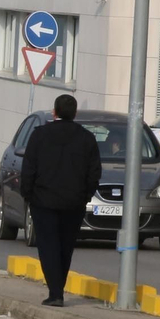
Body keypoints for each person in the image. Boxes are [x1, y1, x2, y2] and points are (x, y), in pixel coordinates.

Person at [19, 94, 101, 307]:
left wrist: (27, 195)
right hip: (73, 203)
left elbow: (28, 169)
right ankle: (58, 289)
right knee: (66, 246)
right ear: (74, 114)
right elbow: (94, 173)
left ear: (54, 112)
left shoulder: (39, 136)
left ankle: (55, 292)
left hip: (43, 201)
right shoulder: (86, 139)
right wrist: (85, 196)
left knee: (48, 246)